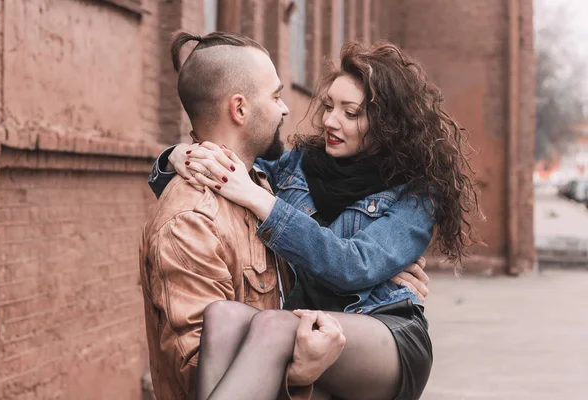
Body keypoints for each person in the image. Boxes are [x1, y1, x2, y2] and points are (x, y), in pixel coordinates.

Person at [152, 39, 479, 400]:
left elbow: (353, 265)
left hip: (381, 331)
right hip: (309, 326)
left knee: (275, 325)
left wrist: (262, 202)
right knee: (223, 318)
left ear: (386, 125)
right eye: (328, 106)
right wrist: (178, 155)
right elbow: (233, 166)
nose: (329, 121)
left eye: (350, 113)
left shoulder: (415, 195)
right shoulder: (297, 166)